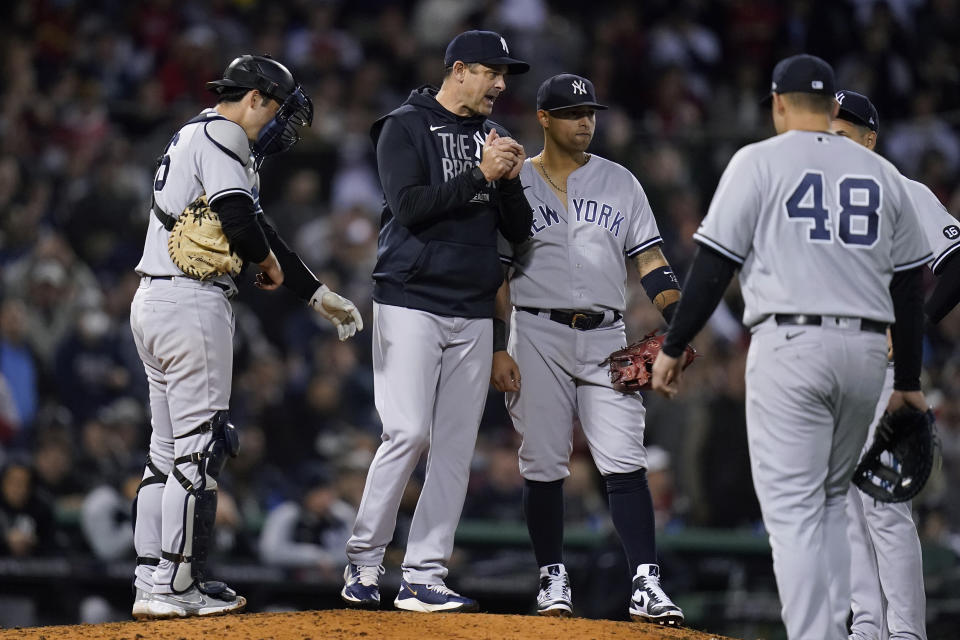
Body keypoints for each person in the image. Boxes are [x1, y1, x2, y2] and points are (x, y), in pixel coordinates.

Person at [651, 55, 931, 640]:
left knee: (794, 513)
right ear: (832, 109)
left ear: (779, 104)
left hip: (791, 344)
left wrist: (674, 345)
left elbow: (713, 265)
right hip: (863, 356)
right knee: (833, 504)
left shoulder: (758, 161)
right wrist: (907, 381)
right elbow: (909, 287)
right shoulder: (882, 173)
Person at [130, 54, 363, 620]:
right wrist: (264, 260)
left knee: (165, 455)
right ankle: (176, 584)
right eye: (280, 110)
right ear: (256, 97)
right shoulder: (226, 132)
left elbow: (260, 226)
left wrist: (314, 292)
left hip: (154, 301)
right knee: (199, 449)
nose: (281, 125)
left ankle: (152, 579)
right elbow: (240, 217)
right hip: (191, 305)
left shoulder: (196, 133)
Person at [340, 30, 533, 613]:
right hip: (410, 297)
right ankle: (364, 561)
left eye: (504, 74)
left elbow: (518, 231)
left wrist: (509, 178)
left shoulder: (494, 138)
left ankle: (424, 573)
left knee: (454, 447)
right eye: (492, 72)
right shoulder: (404, 125)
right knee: (407, 432)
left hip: (473, 307)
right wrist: (479, 175)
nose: (501, 84)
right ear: (459, 70)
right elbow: (410, 207)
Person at [491, 73, 684, 625]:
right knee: (544, 462)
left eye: (591, 112)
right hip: (536, 330)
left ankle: (645, 583)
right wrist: (498, 346)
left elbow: (650, 262)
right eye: (573, 112)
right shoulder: (515, 181)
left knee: (625, 458)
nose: (586, 122)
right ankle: (553, 576)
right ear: (544, 119)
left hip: (607, 335)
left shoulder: (621, 181)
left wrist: (681, 320)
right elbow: (494, 275)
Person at [832, 89, 960, 640]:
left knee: (883, 504)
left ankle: (906, 632)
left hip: (881, 364)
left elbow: (957, 264)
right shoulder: (815, 202)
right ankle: (867, 625)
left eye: (843, 131)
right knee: (844, 506)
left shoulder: (903, 192)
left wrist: (916, 325)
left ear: (869, 138)